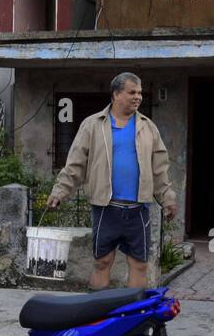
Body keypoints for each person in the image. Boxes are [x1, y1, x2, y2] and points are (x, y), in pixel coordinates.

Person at [47, 72, 177, 289]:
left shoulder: (147, 127)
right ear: (116, 94)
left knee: (139, 264)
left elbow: (159, 169)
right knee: (102, 262)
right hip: (106, 207)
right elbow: (76, 163)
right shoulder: (93, 125)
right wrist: (59, 192)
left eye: (140, 93)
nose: (138, 97)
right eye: (132, 92)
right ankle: (99, 317)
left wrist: (167, 198)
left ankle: (132, 318)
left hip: (138, 208)